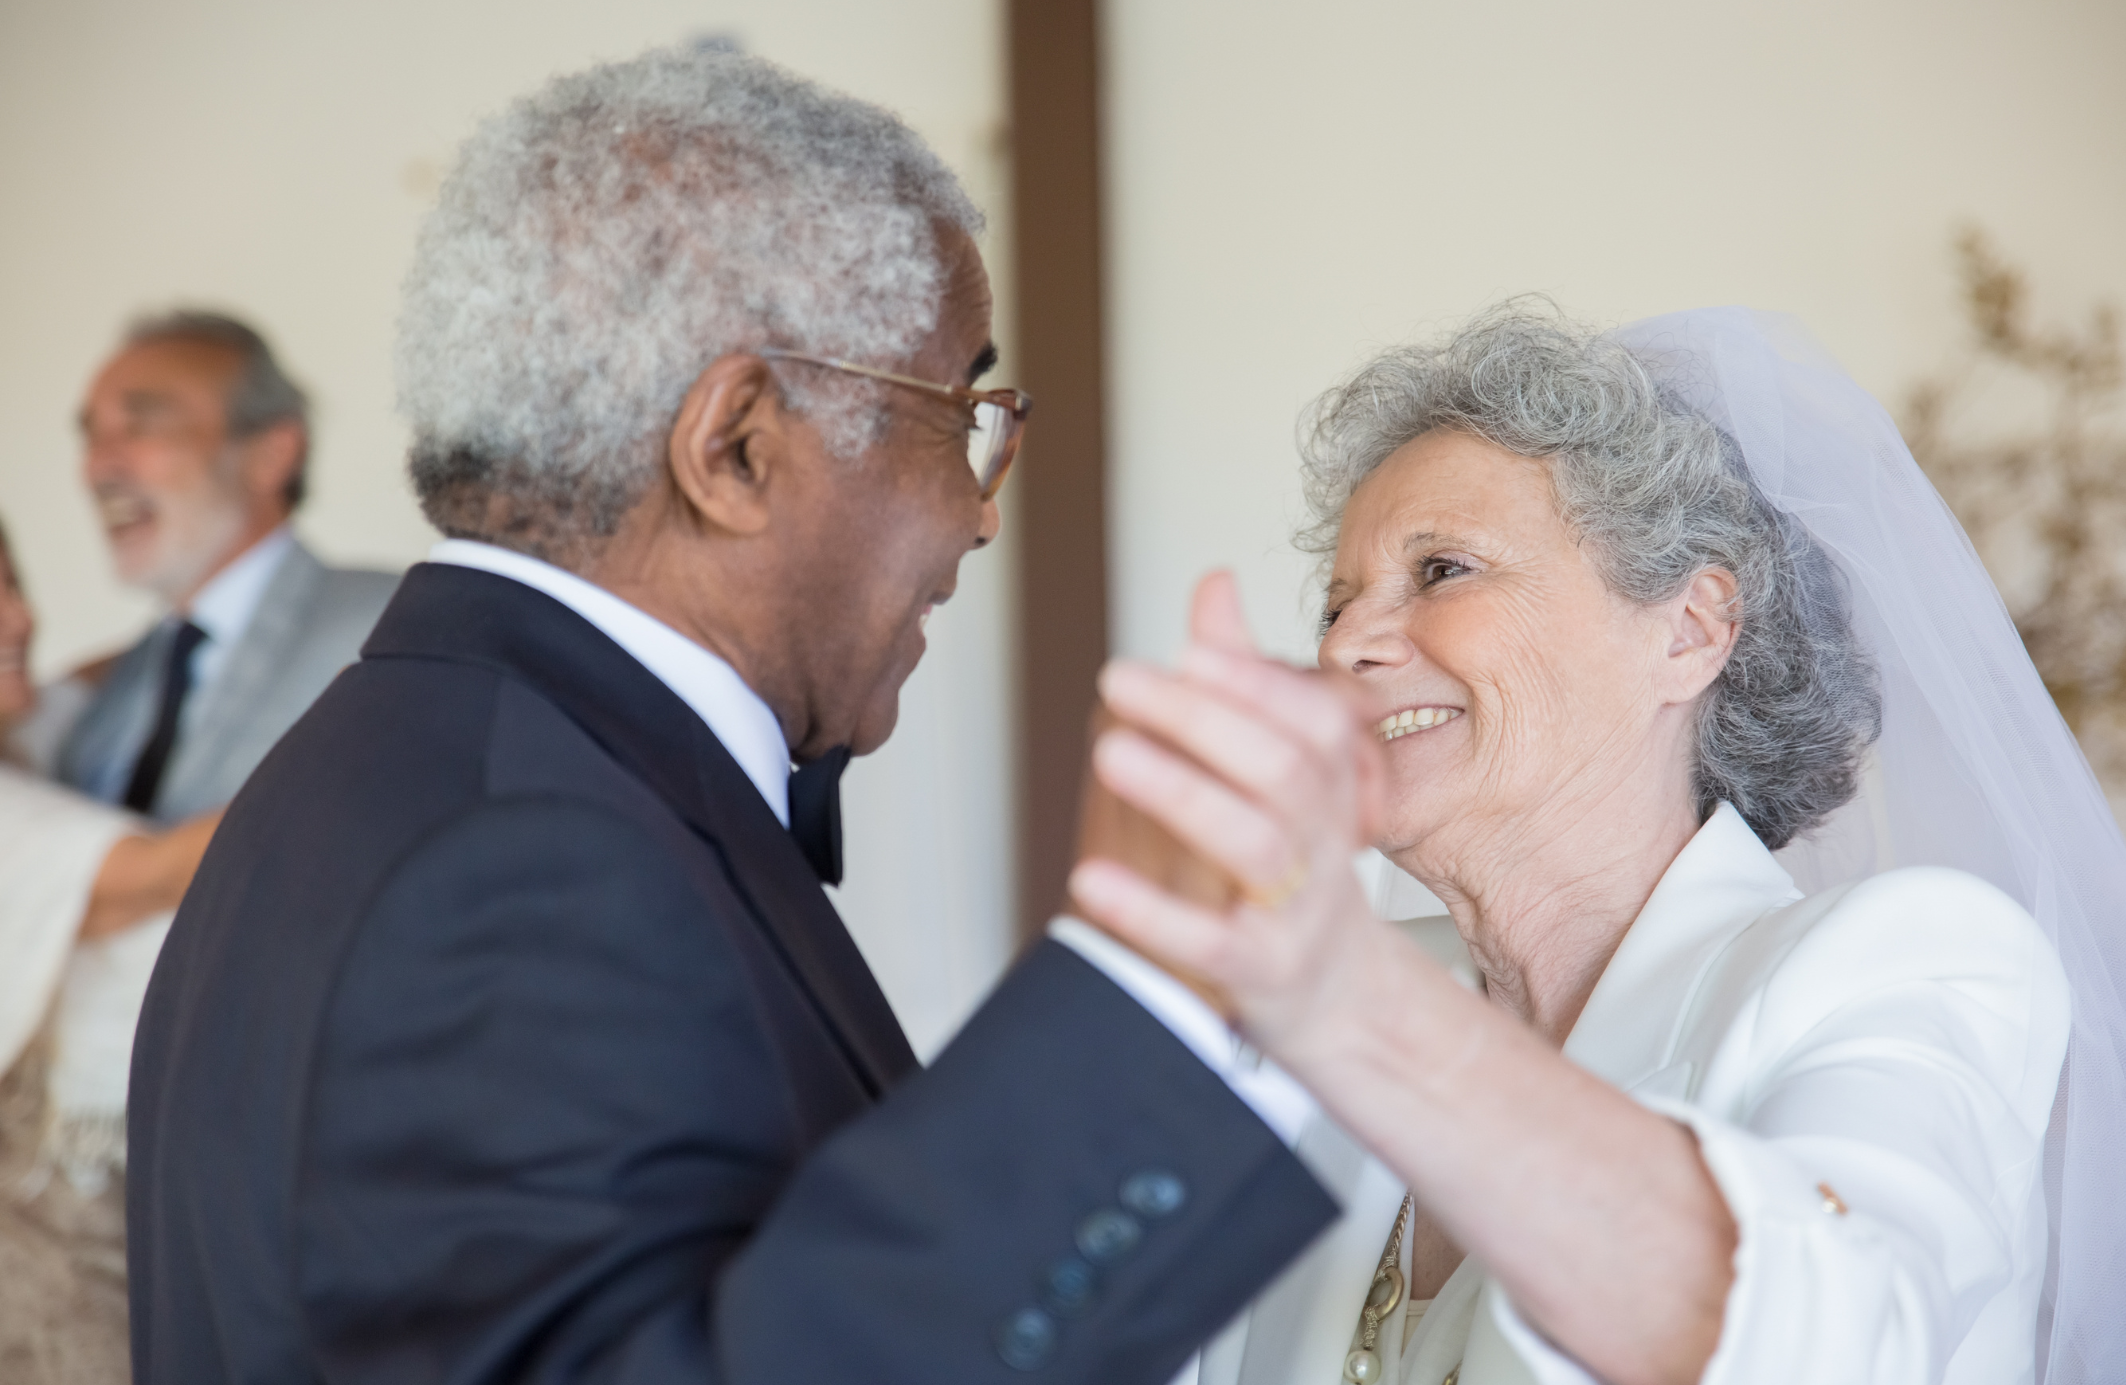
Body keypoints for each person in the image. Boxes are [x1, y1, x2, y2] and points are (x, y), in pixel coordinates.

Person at [127, 47, 1340, 1385]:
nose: (980, 511)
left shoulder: (412, 761)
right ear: (737, 447)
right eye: (960, 413)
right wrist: (1153, 1000)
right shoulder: (519, 861)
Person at [1071, 305, 2125, 1384]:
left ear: (1689, 631)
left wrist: (1357, 1009)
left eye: (1441, 570)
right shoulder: (1288, 1017)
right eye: (1335, 608)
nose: (1345, 646)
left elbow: (1838, 1342)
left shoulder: (1910, 961)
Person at [0, 519, 219, 1385]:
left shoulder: (32, 723)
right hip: (59, 1232)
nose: (19, 618)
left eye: (13, 582)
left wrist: (205, 619)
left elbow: (86, 677)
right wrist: (394, 716)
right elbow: (160, 870)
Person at [54, 310, 396, 824]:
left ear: (272, 454)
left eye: (140, 425)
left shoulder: (389, 629)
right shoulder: (107, 691)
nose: (96, 468)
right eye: (91, 436)